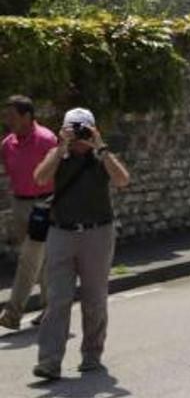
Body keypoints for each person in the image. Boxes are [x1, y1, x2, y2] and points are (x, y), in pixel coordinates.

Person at [30, 107, 132, 379]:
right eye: (74, 129)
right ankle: (49, 361)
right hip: (61, 233)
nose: (78, 136)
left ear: (93, 129)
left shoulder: (100, 157)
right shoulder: (58, 156)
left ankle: (91, 355)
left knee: (94, 297)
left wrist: (100, 146)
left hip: (97, 233)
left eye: (83, 130)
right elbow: (40, 178)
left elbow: (122, 180)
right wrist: (60, 147)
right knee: (57, 299)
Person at [0, 95, 57, 330]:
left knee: (28, 259)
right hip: (20, 203)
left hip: (43, 205)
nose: (7, 120)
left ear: (27, 116)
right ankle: (51, 309)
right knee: (40, 261)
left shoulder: (46, 140)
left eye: (12, 116)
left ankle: (12, 314)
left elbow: (60, 173)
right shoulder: (7, 144)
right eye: (6, 116)